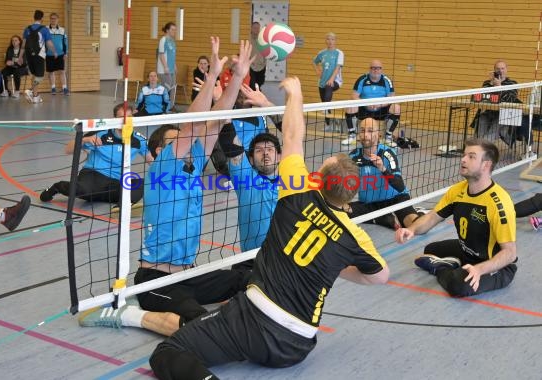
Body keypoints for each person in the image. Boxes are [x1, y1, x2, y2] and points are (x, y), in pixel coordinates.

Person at [148, 76, 389, 379]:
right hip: (297, 345)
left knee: (168, 352)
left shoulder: (294, 192)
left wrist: (294, 93)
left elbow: (291, 136)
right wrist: (337, 266)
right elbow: (381, 276)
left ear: (320, 179)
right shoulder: (352, 234)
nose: (265, 152)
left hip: (254, 316)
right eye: (259, 149)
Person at [79, 37, 255, 337]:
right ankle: (131, 314)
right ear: (159, 150)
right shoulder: (162, 167)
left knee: (252, 280)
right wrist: (212, 75)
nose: (185, 142)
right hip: (155, 281)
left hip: (192, 274)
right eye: (175, 140)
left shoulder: (194, 162)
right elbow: (192, 125)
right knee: (200, 326)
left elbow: (216, 120)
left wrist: (237, 77)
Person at [396, 138, 517, 297]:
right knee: (430, 250)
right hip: (468, 251)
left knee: (459, 286)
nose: (463, 159)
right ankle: (455, 263)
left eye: (471, 156)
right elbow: (432, 217)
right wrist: (410, 230)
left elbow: (510, 253)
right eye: (464, 155)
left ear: (486, 165)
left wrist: (480, 269)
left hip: (495, 266)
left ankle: (442, 268)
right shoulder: (457, 191)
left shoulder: (499, 203)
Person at [218, 83, 282, 270]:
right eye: (260, 150)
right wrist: (220, 102)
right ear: (252, 159)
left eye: (270, 149)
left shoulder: (290, 177)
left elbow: (292, 130)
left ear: (279, 155)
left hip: (282, 260)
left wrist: (266, 103)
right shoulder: (247, 181)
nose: (266, 153)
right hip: (251, 262)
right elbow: (231, 146)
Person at [39, 103, 152, 204]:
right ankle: (57, 187)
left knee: (142, 184)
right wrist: (84, 140)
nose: (126, 121)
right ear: (114, 119)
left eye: (129, 117)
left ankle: (122, 207)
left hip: (115, 183)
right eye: (121, 117)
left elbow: (152, 161)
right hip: (93, 176)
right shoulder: (101, 133)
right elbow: (68, 150)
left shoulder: (139, 140)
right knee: (83, 191)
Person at [347, 118, 424, 229]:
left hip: (395, 200)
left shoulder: (387, 153)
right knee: (340, 211)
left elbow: (400, 186)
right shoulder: (353, 156)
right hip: (370, 204)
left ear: (378, 134)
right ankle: (381, 218)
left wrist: (383, 169)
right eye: (362, 130)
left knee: (415, 226)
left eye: (370, 130)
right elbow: (348, 185)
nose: (365, 134)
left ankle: (419, 213)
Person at [342, 59, 401, 147]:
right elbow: (354, 96)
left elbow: (391, 98)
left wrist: (379, 104)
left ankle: (388, 138)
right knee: (350, 105)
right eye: (373, 68)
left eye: (378, 68)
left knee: (396, 107)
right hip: (365, 109)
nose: (375, 70)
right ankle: (352, 136)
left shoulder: (386, 80)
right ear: (369, 69)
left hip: (381, 110)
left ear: (381, 69)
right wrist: (366, 103)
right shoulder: (362, 79)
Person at [18, 9, 57, 104]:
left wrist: (20, 57)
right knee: (39, 76)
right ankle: (31, 91)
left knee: (35, 75)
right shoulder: (44, 29)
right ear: (42, 18)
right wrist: (54, 51)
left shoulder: (27, 29)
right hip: (39, 55)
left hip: (28, 55)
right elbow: (48, 43)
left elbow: (23, 45)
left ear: (34, 17)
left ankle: (35, 96)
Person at [475, 60, 520, 141]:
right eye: (498, 69)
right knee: (482, 118)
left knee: (489, 136)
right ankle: (481, 144)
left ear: (506, 69)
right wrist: (491, 84)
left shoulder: (513, 83)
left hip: (503, 114)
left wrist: (499, 86)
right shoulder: (487, 83)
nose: (500, 71)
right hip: (489, 112)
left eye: (502, 68)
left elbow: (510, 99)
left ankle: (482, 145)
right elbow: (483, 97)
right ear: (494, 70)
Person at [313, 32, 344, 132]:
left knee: (328, 87)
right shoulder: (322, 53)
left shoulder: (339, 53)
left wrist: (331, 79)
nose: (330, 41)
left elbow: (337, 67)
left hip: (335, 81)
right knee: (325, 101)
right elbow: (314, 61)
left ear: (335, 41)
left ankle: (326, 107)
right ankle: (328, 124)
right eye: (328, 39)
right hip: (322, 81)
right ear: (325, 41)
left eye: (332, 39)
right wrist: (317, 70)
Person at [46, 12, 69, 95]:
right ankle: (53, 88)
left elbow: (65, 42)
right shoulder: (46, 29)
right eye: (51, 18)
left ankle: (64, 88)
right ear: (50, 19)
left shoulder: (62, 30)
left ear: (57, 20)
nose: (53, 20)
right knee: (51, 72)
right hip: (49, 54)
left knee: (62, 71)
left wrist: (65, 53)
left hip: (60, 54)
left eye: (55, 18)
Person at [157, 22, 177, 104]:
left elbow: (172, 55)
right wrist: (165, 67)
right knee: (166, 88)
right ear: (167, 30)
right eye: (172, 29)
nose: (174, 31)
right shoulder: (163, 40)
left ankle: (171, 106)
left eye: (175, 30)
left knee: (172, 88)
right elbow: (161, 54)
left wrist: (175, 65)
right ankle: (163, 107)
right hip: (164, 70)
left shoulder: (172, 41)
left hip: (171, 69)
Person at [249, 21, 266, 90]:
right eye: (255, 28)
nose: (256, 30)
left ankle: (258, 91)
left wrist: (264, 61)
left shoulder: (263, 39)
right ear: (251, 28)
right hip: (251, 66)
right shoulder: (248, 39)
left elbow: (266, 51)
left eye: (258, 28)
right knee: (252, 84)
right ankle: (254, 95)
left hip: (261, 65)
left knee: (260, 82)